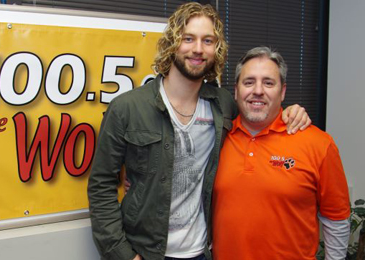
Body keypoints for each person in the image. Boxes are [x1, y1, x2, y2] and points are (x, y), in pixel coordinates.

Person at [88, 3, 310, 260]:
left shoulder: (223, 105)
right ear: (173, 43)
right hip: (145, 252)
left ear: (216, 49)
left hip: (203, 252)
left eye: (208, 41)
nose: (197, 49)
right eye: (188, 38)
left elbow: (259, 116)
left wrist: (290, 111)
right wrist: (125, 255)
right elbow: (101, 186)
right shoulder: (127, 108)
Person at [212, 46, 351, 260]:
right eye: (249, 82)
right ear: (236, 91)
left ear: (283, 91)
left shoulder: (318, 144)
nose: (258, 90)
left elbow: (337, 220)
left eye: (268, 83)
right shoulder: (217, 138)